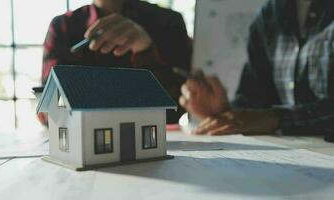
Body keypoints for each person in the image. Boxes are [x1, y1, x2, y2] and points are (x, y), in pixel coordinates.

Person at [180, 0, 334, 138]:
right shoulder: (270, 13)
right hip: (293, 155)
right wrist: (222, 112)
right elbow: (254, 101)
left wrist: (275, 118)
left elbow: (264, 118)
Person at [40, 0, 192, 124]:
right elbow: (48, 111)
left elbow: (181, 105)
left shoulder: (169, 22)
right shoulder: (62, 27)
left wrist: (145, 48)